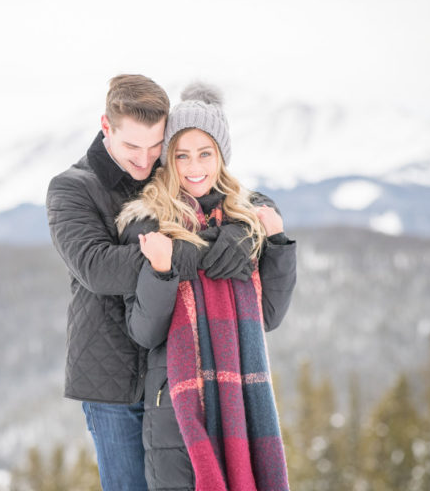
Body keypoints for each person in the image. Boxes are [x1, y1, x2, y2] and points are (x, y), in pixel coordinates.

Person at [46, 75, 269, 490]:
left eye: (155, 146)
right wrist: (206, 253)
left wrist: (243, 233)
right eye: (132, 146)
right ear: (105, 126)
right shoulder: (72, 188)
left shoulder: (163, 167)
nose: (146, 160)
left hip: (175, 374)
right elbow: (97, 267)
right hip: (113, 380)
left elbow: (237, 192)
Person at [117, 83, 297, 490]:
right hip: (177, 408)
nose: (193, 166)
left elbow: (269, 316)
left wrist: (279, 245)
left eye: (205, 153)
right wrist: (162, 271)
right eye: (181, 155)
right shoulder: (149, 224)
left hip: (241, 403)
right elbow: (144, 332)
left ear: (221, 157)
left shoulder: (242, 222)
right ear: (168, 159)